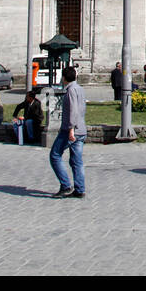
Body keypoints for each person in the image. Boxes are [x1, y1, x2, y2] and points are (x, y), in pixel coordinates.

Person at [50, 66, 87, 197]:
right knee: (76, 161)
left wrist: (71, 129)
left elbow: (73, 111)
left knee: (55, 155)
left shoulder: (71, 91)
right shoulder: (80, 89)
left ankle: (65, 185)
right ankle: (80, 189)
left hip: (70, 130)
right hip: (81, 129)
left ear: (64, 78)